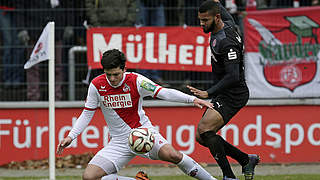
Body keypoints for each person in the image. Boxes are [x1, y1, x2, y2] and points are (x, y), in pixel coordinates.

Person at [57, 49, 218, 180]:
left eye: (116, 74)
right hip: (119, 142)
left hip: (144, 133)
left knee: (173, 155)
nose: (112, 79)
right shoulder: (96, 85)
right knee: (89, 177)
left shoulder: (136, 81)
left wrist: (192, 100)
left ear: (124, 69)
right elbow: (87, 114)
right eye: (108, 74)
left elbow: (163, 92)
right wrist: (71, 136)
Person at [187, 1, 260, 180]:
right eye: (200, 20)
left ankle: (229, 176)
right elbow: (220, 8)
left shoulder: (226, 42)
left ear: (216, 18)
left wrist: (208, 93)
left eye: (205, 20)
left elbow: (233, 76)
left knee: (204, 130)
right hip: (226, 92)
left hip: (233, 94)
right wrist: (217, 3)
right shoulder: (227, 23)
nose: (202, 24)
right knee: (201, 136)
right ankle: (245, 159)